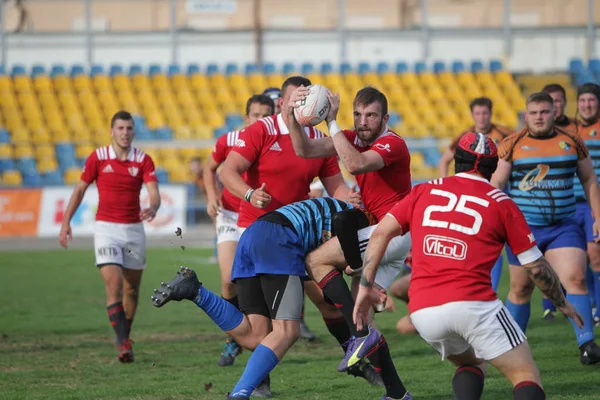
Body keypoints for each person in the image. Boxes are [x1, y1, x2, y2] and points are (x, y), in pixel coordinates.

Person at [354, 132, 584, 400]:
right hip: (474, 304)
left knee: (471, 363)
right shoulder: (502, 203)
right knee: (525, 375)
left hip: (424, 312)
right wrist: (562, 301)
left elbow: (380, 234)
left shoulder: (424, 190)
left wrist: (365, 287)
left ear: (457, 161)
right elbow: (536, 268)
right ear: (493, 166)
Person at [150, 197, 409, 399]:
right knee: (286, 331)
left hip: (253, 237)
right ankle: (240, 395)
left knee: (256, 335)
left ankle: (196, 291)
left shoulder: (324, 225)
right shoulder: (363, 218)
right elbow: (342, 221)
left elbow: (328, 289)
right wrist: (358, 268)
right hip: (278, 238)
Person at [219, 76, 367, 395]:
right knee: (265, 325)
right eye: (294, 100)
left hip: (298, 235)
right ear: (282, 103)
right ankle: (259, 378)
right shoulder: (262, 130)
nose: (299, 105)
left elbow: (334, 185)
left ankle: (356, 357)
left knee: (328, 302)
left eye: (305, 99)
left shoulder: (316, 139)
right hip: (259, 233)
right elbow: (226, 171)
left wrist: (349, 197)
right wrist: (248, 195)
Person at [286, 86, 412, 400]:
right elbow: (304, 151)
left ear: (385, 117)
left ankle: (355, 336)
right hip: (387, 236)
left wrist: (330, 122)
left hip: (392, 233)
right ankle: (397, 394)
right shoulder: (351, 136)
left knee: (315, 261)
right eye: (357, 114)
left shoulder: (392, 143)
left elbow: (354, 164)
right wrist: (290, 116)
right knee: (364, 317)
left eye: (370, 115)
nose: (362, 121)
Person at [490, 92, 600, 364]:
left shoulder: (572, 140)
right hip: (524, 231)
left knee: (575, 279)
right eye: (534, 112)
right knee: (520, 290)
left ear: (554, 112)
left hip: (564, 226)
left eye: (544, 112)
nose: (539, 117)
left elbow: (589, 179)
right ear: (526, 115)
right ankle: (512, 349)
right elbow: (497, 184)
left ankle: (587, 343)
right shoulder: (512, 143)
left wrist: (598, 215)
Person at [59, 110, 161, 363]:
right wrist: (65, 222)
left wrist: (154, 206)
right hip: (106, 229)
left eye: (129, 128)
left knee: (132, 290)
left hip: (134, 230)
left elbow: (154, 190)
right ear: (112, 131)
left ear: (133, 131)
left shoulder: (143, 160)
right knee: (114, 286)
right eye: (120, 129)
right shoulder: (98, 158)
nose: (125, 133)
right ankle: (123, 344)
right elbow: (80, 188)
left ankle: (124, 336)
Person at [202, 94, 275, 367]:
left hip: (258, 216)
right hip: (231, 215)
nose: (261, 119)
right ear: (247, 118)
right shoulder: (228, 141)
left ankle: (255, 336)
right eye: (256, 115)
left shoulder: (274, 142)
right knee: (227, 279)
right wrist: (211, 196)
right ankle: (234, 337)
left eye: (266, 114)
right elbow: (210, 169)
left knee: (256, 283)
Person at [438, 96, 513, 292]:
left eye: (485, 113)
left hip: (500, 195)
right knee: (479, 243)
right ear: (472, 115)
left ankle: (493, 291)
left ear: (491, 114)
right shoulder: (465, 136)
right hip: (472, 198)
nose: (481, 117)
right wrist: (447, 184)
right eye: (478, 113)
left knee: (504, 244)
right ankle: (482, 291)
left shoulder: (505, 134)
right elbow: (445, 160)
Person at [573, 83, 600, 326]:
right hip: (572, 205)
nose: (587, 105)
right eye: (583, 100)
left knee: (595, 255)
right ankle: (592, 303)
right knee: (579, 259)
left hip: (595, 202)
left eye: (591, 100)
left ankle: (599, 307)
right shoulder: (570, 131)